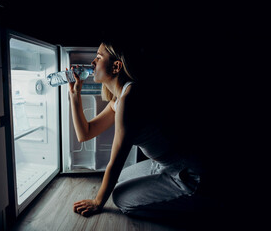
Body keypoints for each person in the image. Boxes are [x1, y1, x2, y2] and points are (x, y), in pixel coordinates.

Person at [70, 40, 203, 219]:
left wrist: (97, 202)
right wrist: (74, 95)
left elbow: (115, 162)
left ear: (116, 67)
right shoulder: (118, 98)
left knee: (121, 199)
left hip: (187, 172)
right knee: (122, 179)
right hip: (162, 165)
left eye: (99, 57)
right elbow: (84, 134)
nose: (93, 62)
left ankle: (200, 202)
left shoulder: (129, 99)